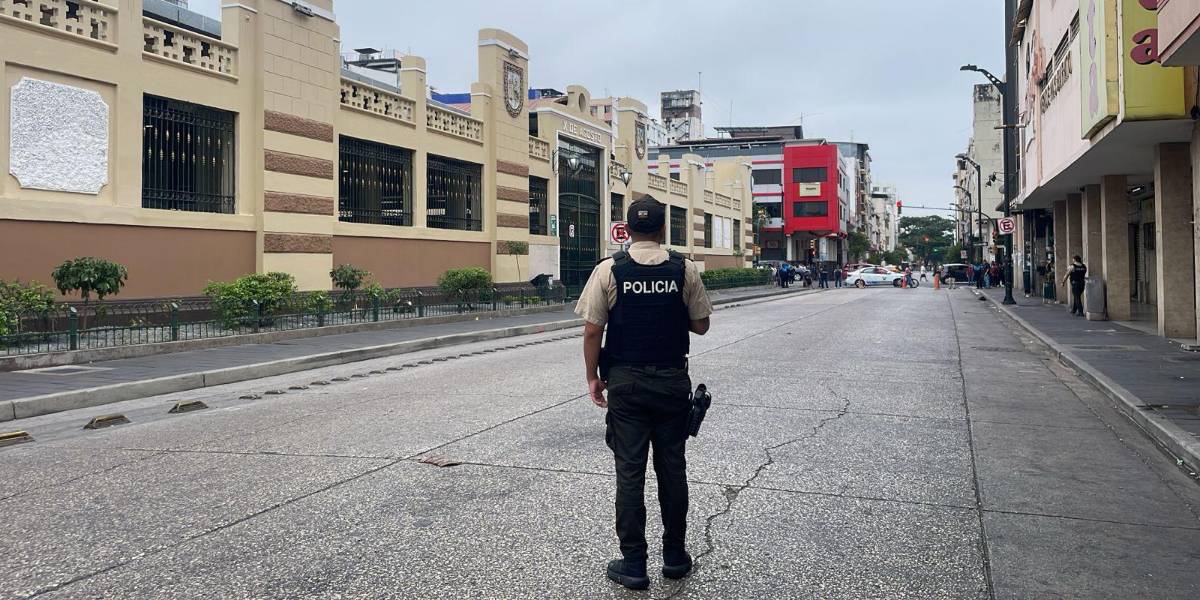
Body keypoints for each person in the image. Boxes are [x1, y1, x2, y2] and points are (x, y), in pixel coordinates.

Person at [576, 194, 713, 590]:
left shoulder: (609, 270)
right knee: (672, 471)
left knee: (629, 474)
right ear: (663, 229)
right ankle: (674, 557)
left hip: (626, 383)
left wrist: (592, 377)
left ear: (628, 229)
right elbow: (701, 326)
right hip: (671, 383)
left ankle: (634, 563)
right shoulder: (682, 269)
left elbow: (591, 329)